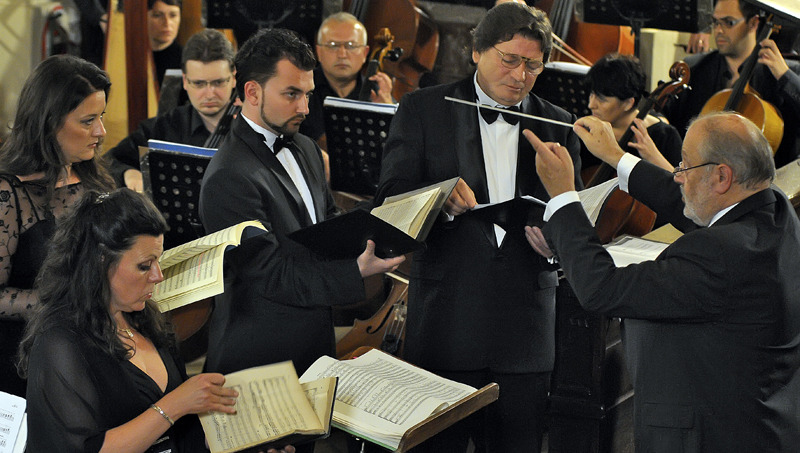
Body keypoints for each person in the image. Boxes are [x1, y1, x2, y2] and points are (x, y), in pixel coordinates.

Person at [524, 111, 800, 452]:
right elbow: (689, 203)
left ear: (722, 176)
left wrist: (564, 196)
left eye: (685, 165)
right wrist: (616, 157)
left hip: (709, 437)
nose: (678, 176)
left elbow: (602, 289)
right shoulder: (775, 211)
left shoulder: (720, 254)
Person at [374, 3, 582, 452]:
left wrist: (556, 245)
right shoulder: (423, 109)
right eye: (509, 59)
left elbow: (576, 220)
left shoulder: (560, 124)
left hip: (527, 336)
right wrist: (438, 197)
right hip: (446, 326)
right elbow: (388, 199)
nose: (520, 75)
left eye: (533, 65)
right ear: (476, 52)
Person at [199, 28, 403, 385]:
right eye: (291, 94)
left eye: (307, 94)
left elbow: (327, 224)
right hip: (259, 360)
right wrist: (355, 271)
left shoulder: (306, 147)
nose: (305, 108)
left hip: (313, 345)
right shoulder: (228, 177)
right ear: (252, 92)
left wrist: (382, 225)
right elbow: (272, 276)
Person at [16, 189, 234, 452]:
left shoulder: (147, 320)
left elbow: (180, 434)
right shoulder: (59, 342)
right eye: (144, 265)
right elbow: (85, 449)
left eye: (158, 261)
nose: (158, 276)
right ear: (101, 262)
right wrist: (174, 405)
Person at [0, 54, 115, 397]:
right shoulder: (8, 193)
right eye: (88, 121)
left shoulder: (95, 179)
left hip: (95, 348)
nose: (101, 132)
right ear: (49, 123)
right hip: (28, 362)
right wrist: (68, 303)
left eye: (101, 117)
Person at [662, 0, 800, 168]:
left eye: (728, 22)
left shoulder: (784, 71)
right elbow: (664, 113)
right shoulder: (696, 68)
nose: (718, 30)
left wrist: (785, 76)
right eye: (715, 22)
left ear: (753, 23)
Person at [105, 28, 236, 191]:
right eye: (199, 83)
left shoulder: (254, 126)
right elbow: (109, 161)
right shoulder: (165, 127)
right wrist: (128, 173)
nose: (209, 94)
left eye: (218, 82)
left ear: (234, 78)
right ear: (185, 81)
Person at [300, 12, 394, 148]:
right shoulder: (300, 88)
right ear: (318, 52)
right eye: (333, 45)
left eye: (351, 45)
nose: (342, 54)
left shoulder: (378, 93)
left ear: (365, 53)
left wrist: (389, 113)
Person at [584, 52, 682, 173]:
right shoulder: (587, 131)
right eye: (591, 94)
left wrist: (653, 156)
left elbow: (683, 183)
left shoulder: (664, 136)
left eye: (602, 99)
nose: (591, 105)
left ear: (628, 103)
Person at [149, 0, 182, 88]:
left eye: (173, 15)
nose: (167, 23)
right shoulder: (131, 58)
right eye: (158, 15)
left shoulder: (188, 60)